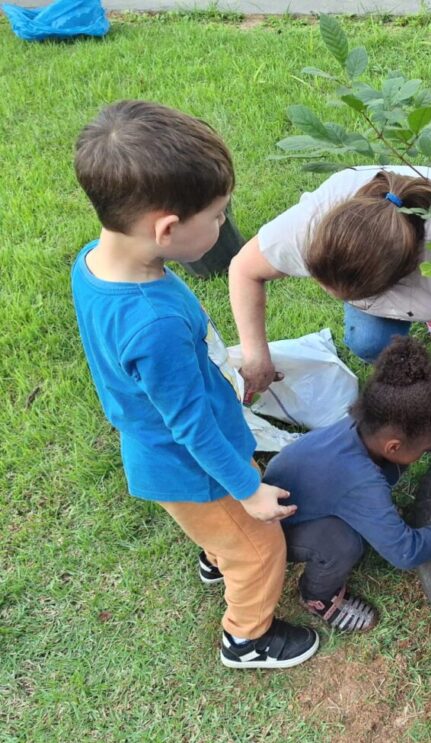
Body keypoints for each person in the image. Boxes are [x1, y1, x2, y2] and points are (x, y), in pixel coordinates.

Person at [70, 100, 318, 669]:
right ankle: (246, 637)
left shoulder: (94, 261)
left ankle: (216, 549)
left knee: (222, 531)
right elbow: (191, 427)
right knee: (259, 551)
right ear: (167, 228)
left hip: (154, 445)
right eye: (218, 215)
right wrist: (249, 491)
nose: (224, 226)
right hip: (193, 464)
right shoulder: (152, 323)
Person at [228, 165, 431, 439]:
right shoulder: (309, 225)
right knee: (367, 343)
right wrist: (257, 354)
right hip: (396, 279)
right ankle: (424, 314)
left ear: (403, 276)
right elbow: (244, 269)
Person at [263, 337, 431, 631]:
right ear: (393, 447)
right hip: (274, 531)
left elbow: (429, 429)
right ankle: (318, 596)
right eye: (428, 445)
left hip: (288, 493)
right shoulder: (361, 482)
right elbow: (405, 552)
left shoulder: (368, 424)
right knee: (342, 544)